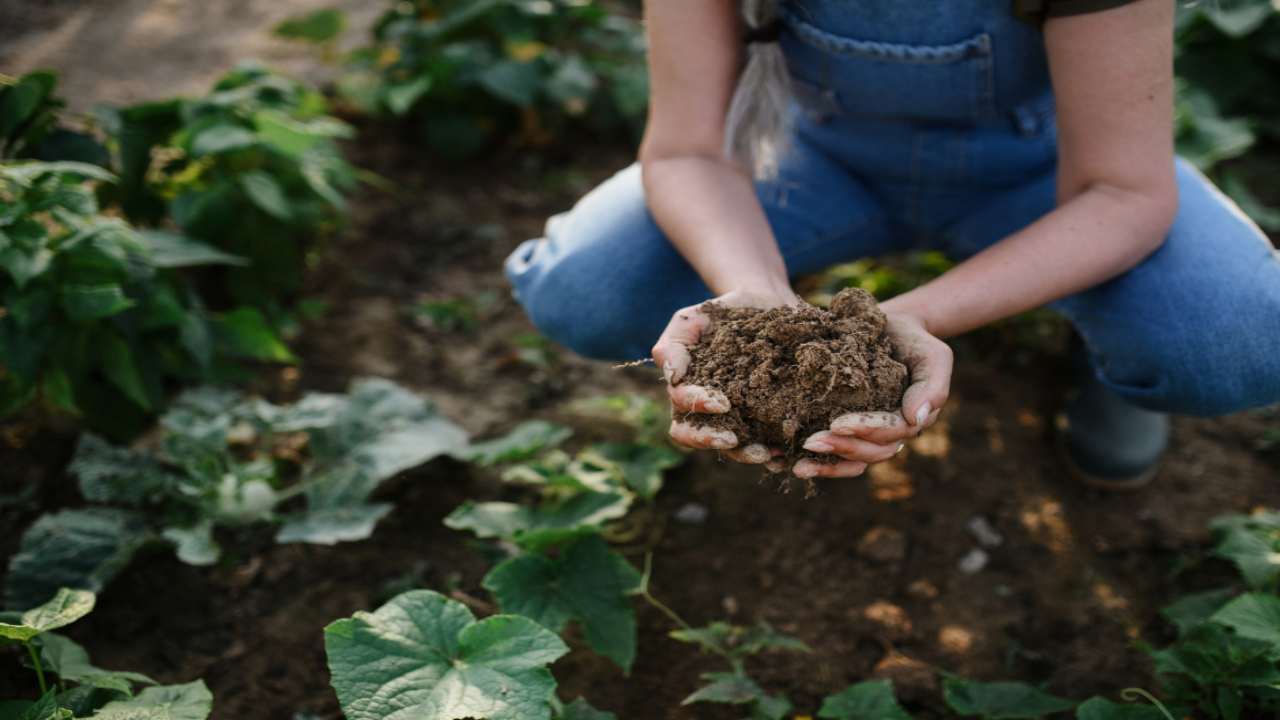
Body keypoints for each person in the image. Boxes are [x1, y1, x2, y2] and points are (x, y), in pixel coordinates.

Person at [504, 0, 1280, 489]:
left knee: (1230, 341)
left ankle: (1110, 351)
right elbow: (688, 153)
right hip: (816, 158)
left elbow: (1123, 192)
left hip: (1049, 173)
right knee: (589, 289)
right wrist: (756, 301)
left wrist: (905, 320)